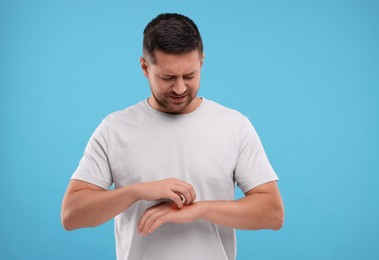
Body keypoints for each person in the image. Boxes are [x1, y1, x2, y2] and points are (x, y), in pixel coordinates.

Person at [61, 13, 284, 260]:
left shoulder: (234, 126)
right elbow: (72, 215)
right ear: (145, 67)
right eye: (167, 77)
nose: (179, 88)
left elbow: (272, 213)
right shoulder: (114, 129)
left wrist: (198, 210)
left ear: (202, 61)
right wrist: (137, 191)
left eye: (189, 75)